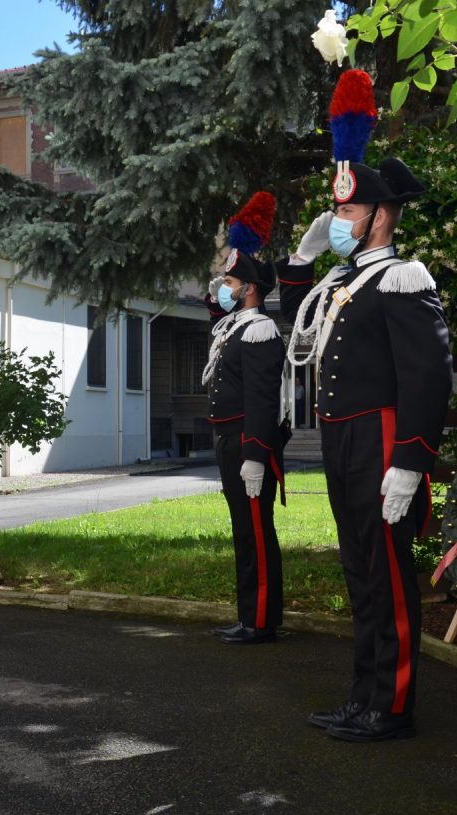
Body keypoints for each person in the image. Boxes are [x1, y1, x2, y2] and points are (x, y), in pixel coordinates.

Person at [281, 157, 453, 741]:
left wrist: (410, 462)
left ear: (380, 218)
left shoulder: (403, 278)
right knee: (359, 572)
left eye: (346, 210)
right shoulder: (343, 281)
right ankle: (363, 697)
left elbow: (427, 379)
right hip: (342, 436)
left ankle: (393, 704)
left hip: (381, 439)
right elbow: (299, 328)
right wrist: (301, 261)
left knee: (388, 573)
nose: (336, 218)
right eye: (337, 208)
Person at [203, 192, 289, 645]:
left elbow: (261, 400)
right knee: (244, 529)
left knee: (256, 531)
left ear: (250, 289)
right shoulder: (233, 326)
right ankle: (248, 615)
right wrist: (239, 251)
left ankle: (260, 621)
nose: (222, 287)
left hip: (246, 442)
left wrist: (256, 454)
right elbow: (212, 306)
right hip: (229, 440)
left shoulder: (258, 329)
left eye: (230, 281)